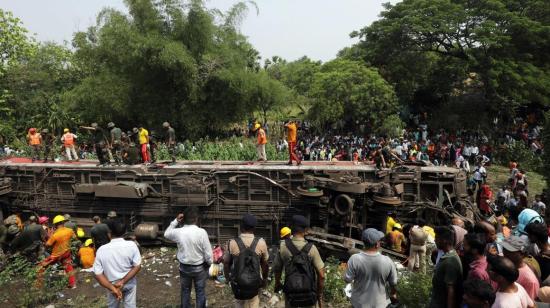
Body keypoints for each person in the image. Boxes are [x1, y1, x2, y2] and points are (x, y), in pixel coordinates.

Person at [164, 207, 213, 308]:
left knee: (185, 291)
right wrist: (210, 263)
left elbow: (166, 234)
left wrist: (176, 221)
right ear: (196, 219)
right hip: (200, 267)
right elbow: (208, 253)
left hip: (184, 267)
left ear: (183, 218)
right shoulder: (202, 232)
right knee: (200, 291)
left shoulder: (179, 232)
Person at [273, 215, 324, 308]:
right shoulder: (312, 249)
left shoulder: (283, 247)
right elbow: (321, 275)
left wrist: (277, 284)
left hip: (291, 295)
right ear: (305, 231)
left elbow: (277, 269)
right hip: (308, 295)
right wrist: (319, 294)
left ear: (291, 229)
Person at [223, 214, 269, 308]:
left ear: (241, 226)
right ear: (254, 228)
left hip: (238, 283)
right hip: (254, 282)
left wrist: (227, 278)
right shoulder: (261, 242)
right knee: (254, 302)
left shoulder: (232, 242)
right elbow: (265, 264)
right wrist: (264, 279)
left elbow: (226, 263)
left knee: (239, 303)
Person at [344, 228, 398, 308]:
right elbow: (393, 283)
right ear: (377, 244)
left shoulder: (354, 259)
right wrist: (393, 293)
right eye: (380, 241)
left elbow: (347, 279)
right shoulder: (387, 261)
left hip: (359, 304)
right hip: (380, 304)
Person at [94, 220, 141, 308]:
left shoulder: (101, 250)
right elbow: (137, 266)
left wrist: (113, 288)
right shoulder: (131, 245)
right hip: (129, 282)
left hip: (112, 284)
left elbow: (98, 274)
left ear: (109, 233)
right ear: (124, 232)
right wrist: (122, 281)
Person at [429, 226, 463, 308]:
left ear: (444, 241)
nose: (434, 240)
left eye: (436, 238)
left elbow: (450, 290)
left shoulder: (450, 261)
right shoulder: (447, 256)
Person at [38, 215, 76, 288]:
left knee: (41, 266)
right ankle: (73, 285)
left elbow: (48, 244)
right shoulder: (70, 231)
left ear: (55, 224)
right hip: (66, 252)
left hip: (56, 255)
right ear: (63, 222)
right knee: (69, 268)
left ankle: (38, 285)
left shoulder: (55, 235)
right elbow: (74, 239)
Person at [501, 236, 539, 300]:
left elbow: (529, 304)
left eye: (509, 251)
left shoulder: (530, 281)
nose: (505, 252)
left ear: (522, 254)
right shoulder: (503, 263)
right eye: (504, 249)